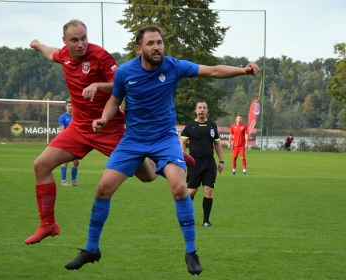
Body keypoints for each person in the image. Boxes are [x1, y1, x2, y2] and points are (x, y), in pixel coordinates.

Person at [64, 25, 259, 275]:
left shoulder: (173, 66)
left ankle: (191, 252)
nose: (157, 47)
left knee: (179, 188)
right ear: (139, 48)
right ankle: (91, 249)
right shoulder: (125, 72)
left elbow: (211, 70)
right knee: (103, 188)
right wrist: (103, 118)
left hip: (164, 139)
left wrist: (243, 70)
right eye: (151, 43)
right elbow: (114, 100)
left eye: (160, 42)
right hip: (133, 140)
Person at [24, 19, 158, 245]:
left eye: (84, 38)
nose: (81, 44)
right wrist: (38, 45)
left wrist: (97, 86)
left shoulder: (101, 57)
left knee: (148, 176)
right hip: (78, 128)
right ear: (65, 41)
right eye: (74, 40)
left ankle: (164, 153)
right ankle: (48, 223)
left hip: (108, 128)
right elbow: (51, 53)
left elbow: (123, 85)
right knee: (40, 165)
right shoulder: (64, 54)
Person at [179, 101, 225, 228]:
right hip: (194, 162)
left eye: (204, 108)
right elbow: (183, 142)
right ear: (195, 110)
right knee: (192, 191)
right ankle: (185, 215)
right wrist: (183, 156)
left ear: (207, 110)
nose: (202, 110)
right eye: (199, 108)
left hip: (209, 162)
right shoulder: (190, 126)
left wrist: (221, 160)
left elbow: (217, 144)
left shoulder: (212, 125)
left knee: (208, 190)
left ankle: (206, 220)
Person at [58, 98, 80, 186]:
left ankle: (73, 181)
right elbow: (62, 131)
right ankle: (63, 181)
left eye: (72, 106)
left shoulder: (77, 117)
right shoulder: (62, 117)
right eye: (69, 106)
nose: (70, 107)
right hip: (67, 141)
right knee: (65, 161)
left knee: (76, 162)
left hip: (76, 142)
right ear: (66, 107)